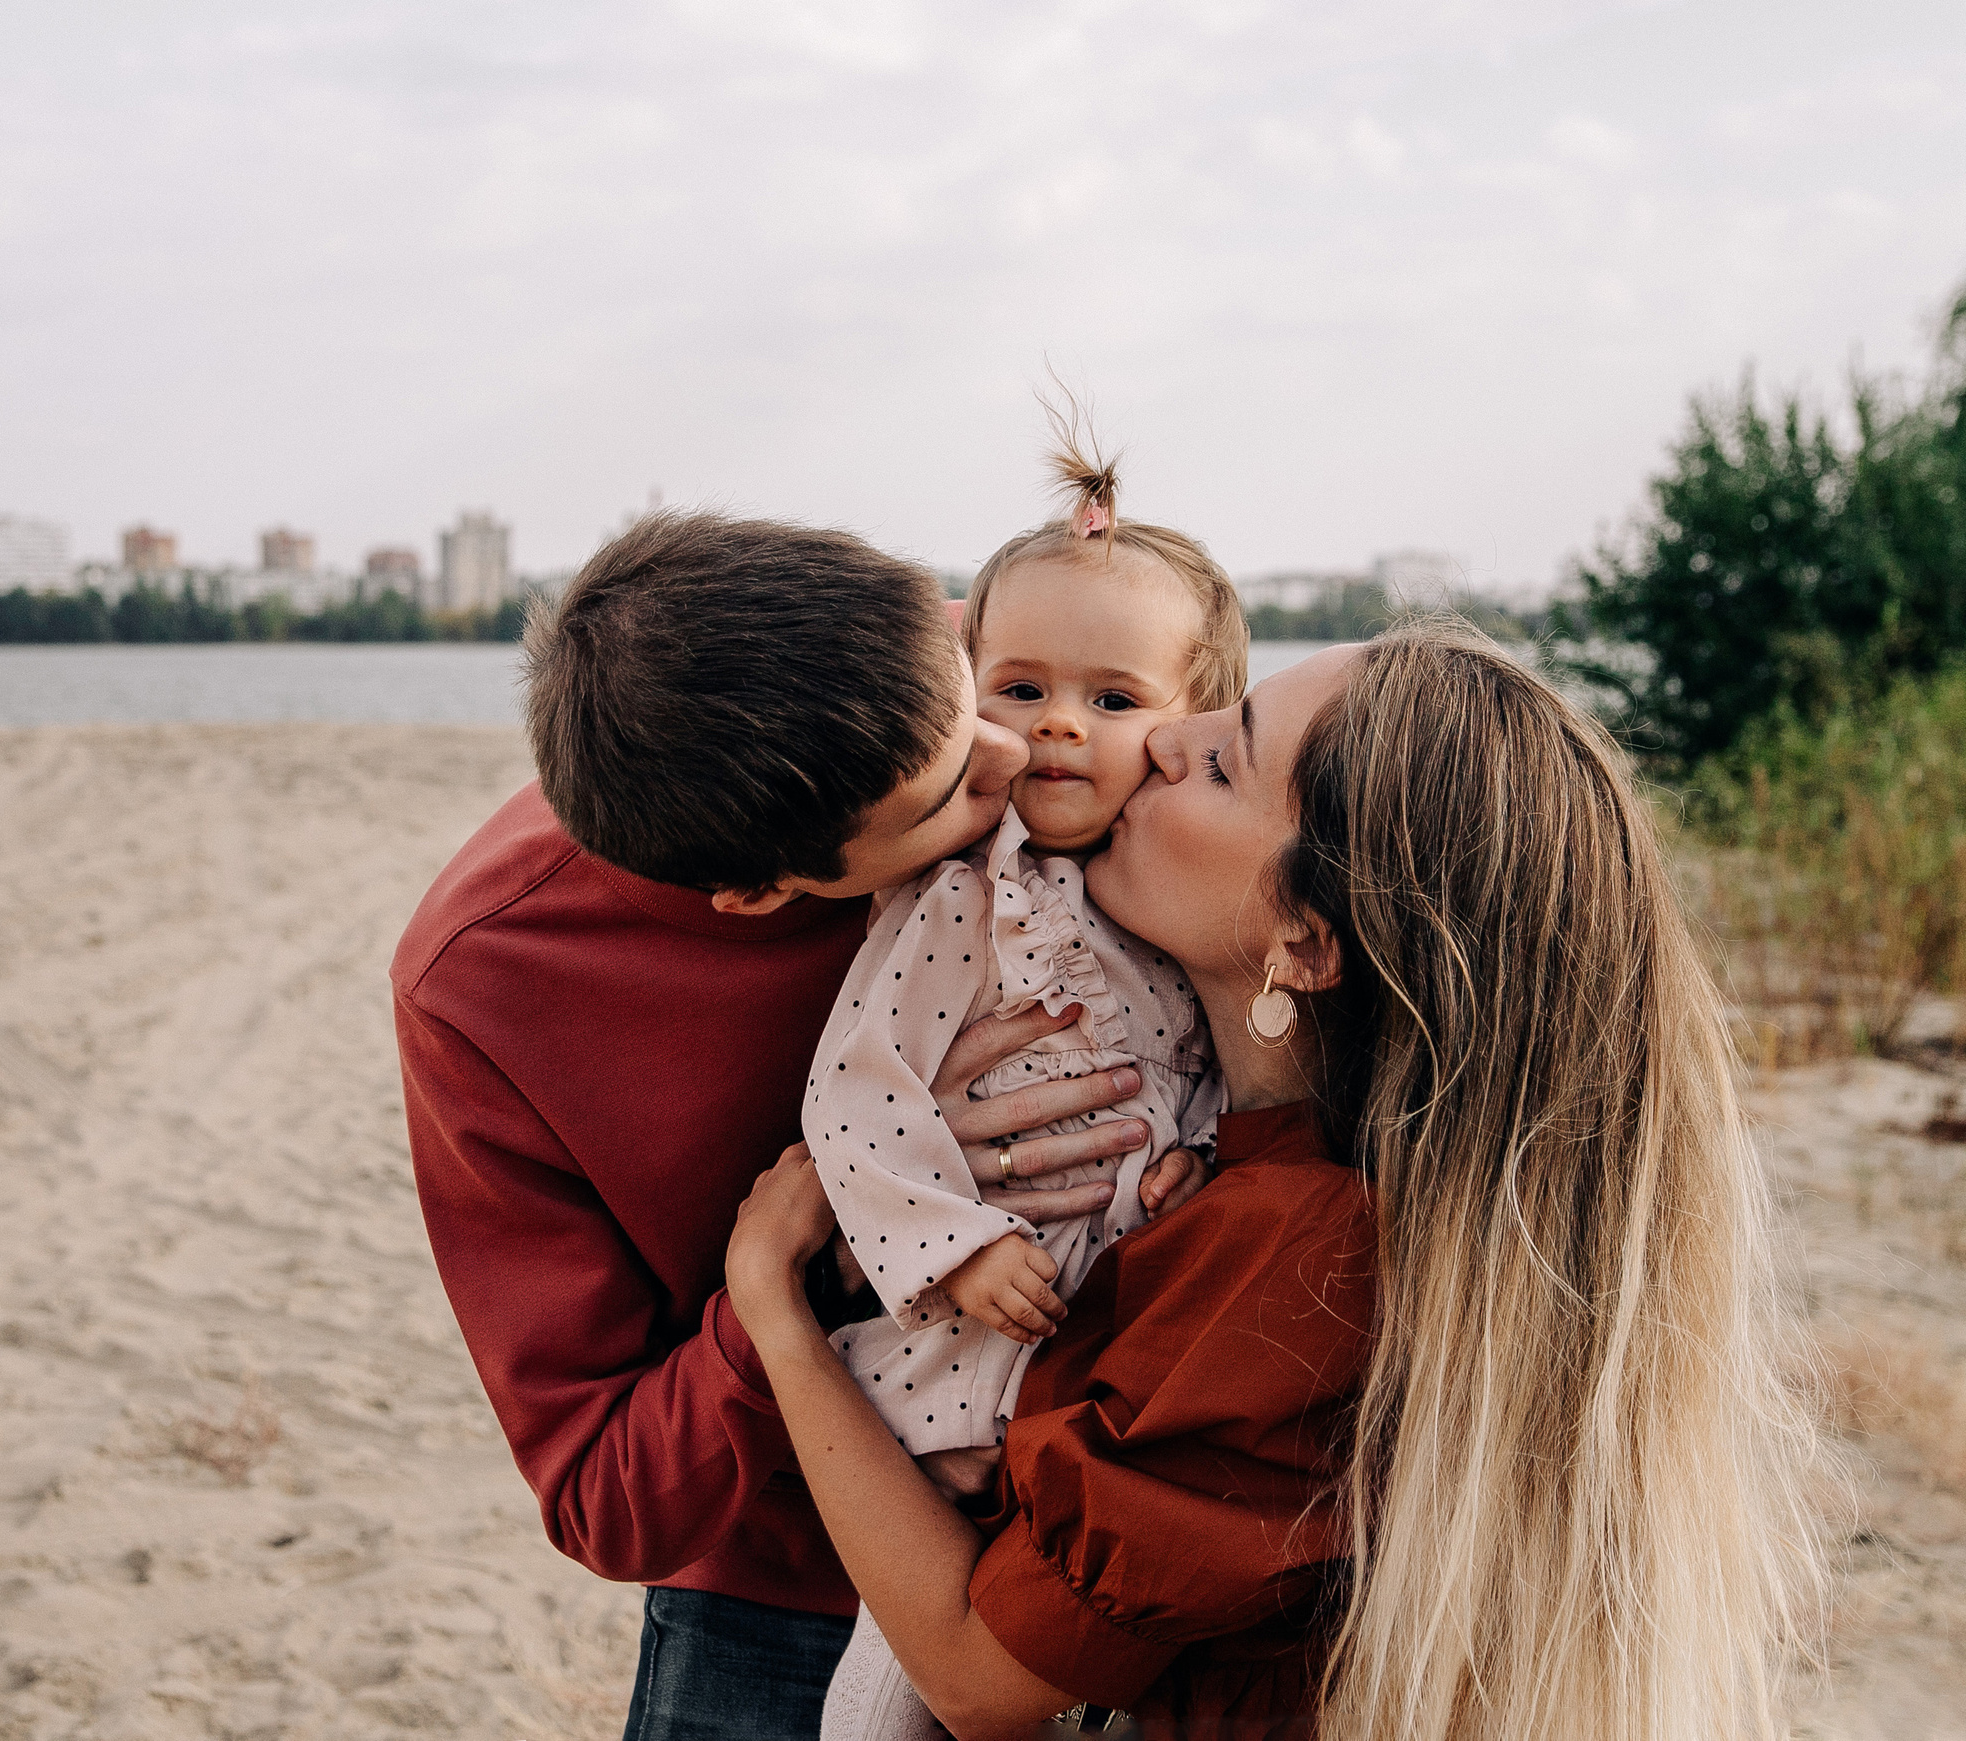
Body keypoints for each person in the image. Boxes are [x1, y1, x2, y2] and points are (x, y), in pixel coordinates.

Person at [726, 622, 1825, 1740]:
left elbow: (977, 1680)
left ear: (1302, 942)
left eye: (1219, 761)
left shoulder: (1304, 1254)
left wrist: (774, 1305)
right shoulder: (1269, 1171)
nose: (1160, 738)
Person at [391, 511, 1165, 1740]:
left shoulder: (1017, 669)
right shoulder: (488, 985)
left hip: (1120, 1515)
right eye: (946, 795)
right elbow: (605, 1496)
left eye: (981, 700)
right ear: (757, 894)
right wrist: (831, 1255)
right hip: (785, 1596)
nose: (1017, 762)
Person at [807, 457, 1249, 1737]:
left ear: (1186, 720)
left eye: (1110, 697)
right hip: (969, 1332)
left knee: (1062, 1658)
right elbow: (855, 1091)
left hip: (1098, 1338)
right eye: (1021, 688)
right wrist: (956, 1240)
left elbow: (1216, 1063)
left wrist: (1198, 1156)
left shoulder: (1174, 896)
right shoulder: (964, 899)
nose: (1058, 723)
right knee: (900, 1675)